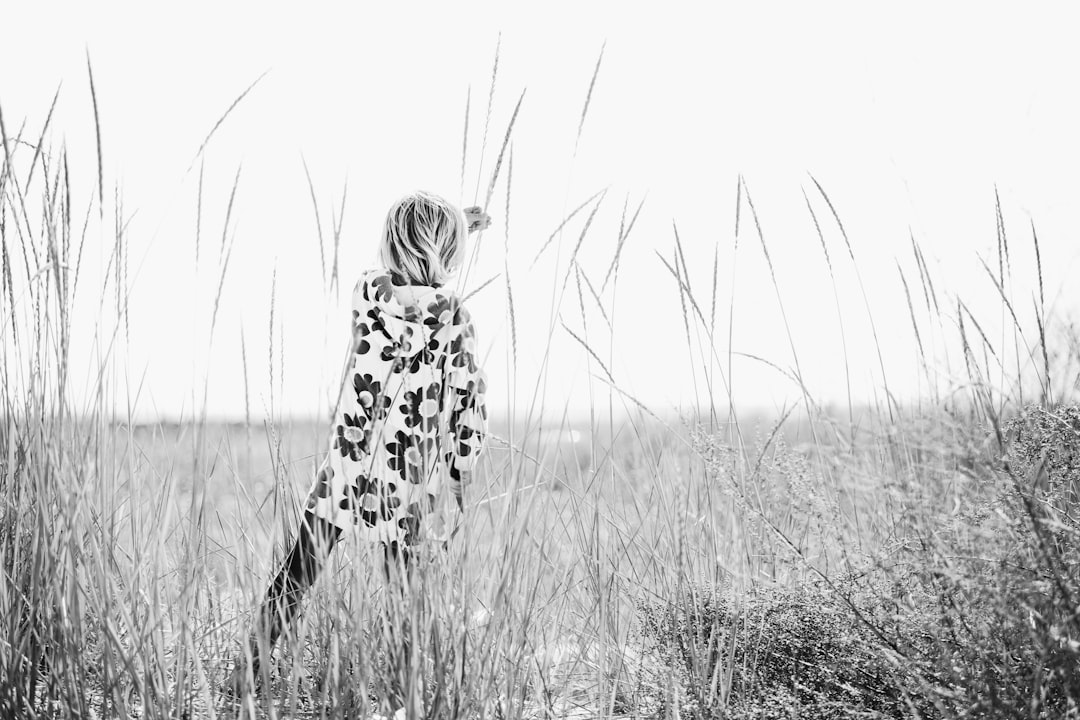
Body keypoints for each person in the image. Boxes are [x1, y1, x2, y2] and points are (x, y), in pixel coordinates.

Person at [230, 191, 491, 703]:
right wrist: (460, 470)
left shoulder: (367, 295)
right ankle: (404, 696)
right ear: (447, 250)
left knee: (299, 570)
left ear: (393, 243)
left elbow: (405, 269)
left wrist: (454, 220)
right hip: (410, 474)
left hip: (350, 463)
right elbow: (468, 400)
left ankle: (245, 675)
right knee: (404, 592)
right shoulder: (454, 316)